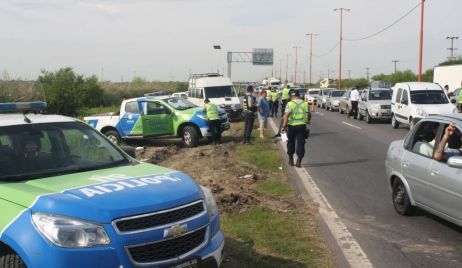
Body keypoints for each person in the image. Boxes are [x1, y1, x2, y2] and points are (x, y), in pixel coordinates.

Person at [282, 89, 311, 168]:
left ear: (293, 96)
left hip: (292, 125)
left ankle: (291, 159)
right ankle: (299, 161)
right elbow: (309, 114)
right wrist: (308, 121)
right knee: (301, 143)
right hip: (302, 125)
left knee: (291, 142)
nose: (290, 97)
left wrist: (284, 126)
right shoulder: (305, 103)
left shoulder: (290, 104)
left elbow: (287, 115)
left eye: (290, 96)